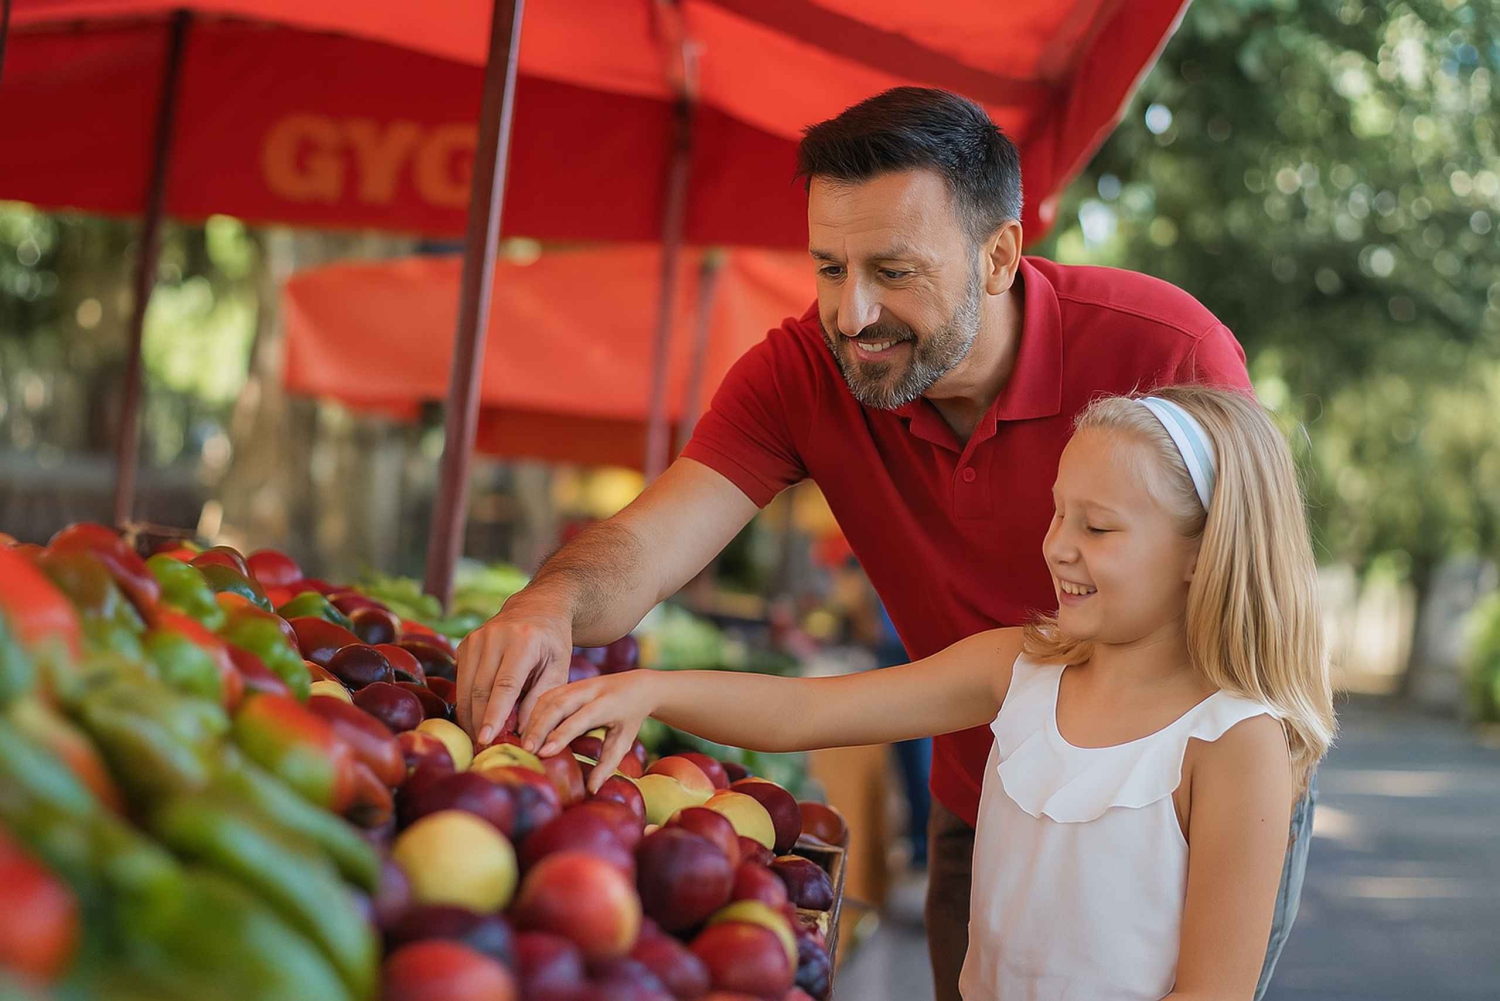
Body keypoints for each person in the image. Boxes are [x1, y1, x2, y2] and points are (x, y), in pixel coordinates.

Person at [456, 87, 1315, 999]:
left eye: (893, 272)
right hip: (986, 776)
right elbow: (648, 550)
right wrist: (549, 603)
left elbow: (1246, 590)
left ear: (998, 255)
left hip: (1187, 800)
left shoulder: (1169, 355)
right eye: (829, 267)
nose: (852, 313)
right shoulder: (799, 376)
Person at [522, 386, 1337, 1001]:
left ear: (1204, 550)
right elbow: (815, 711)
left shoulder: (1234, 741)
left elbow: (1213, 991)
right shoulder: (1016, 668)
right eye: (1058, 514)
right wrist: (654, 687)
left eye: (1098, 527)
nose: (1058, 547)